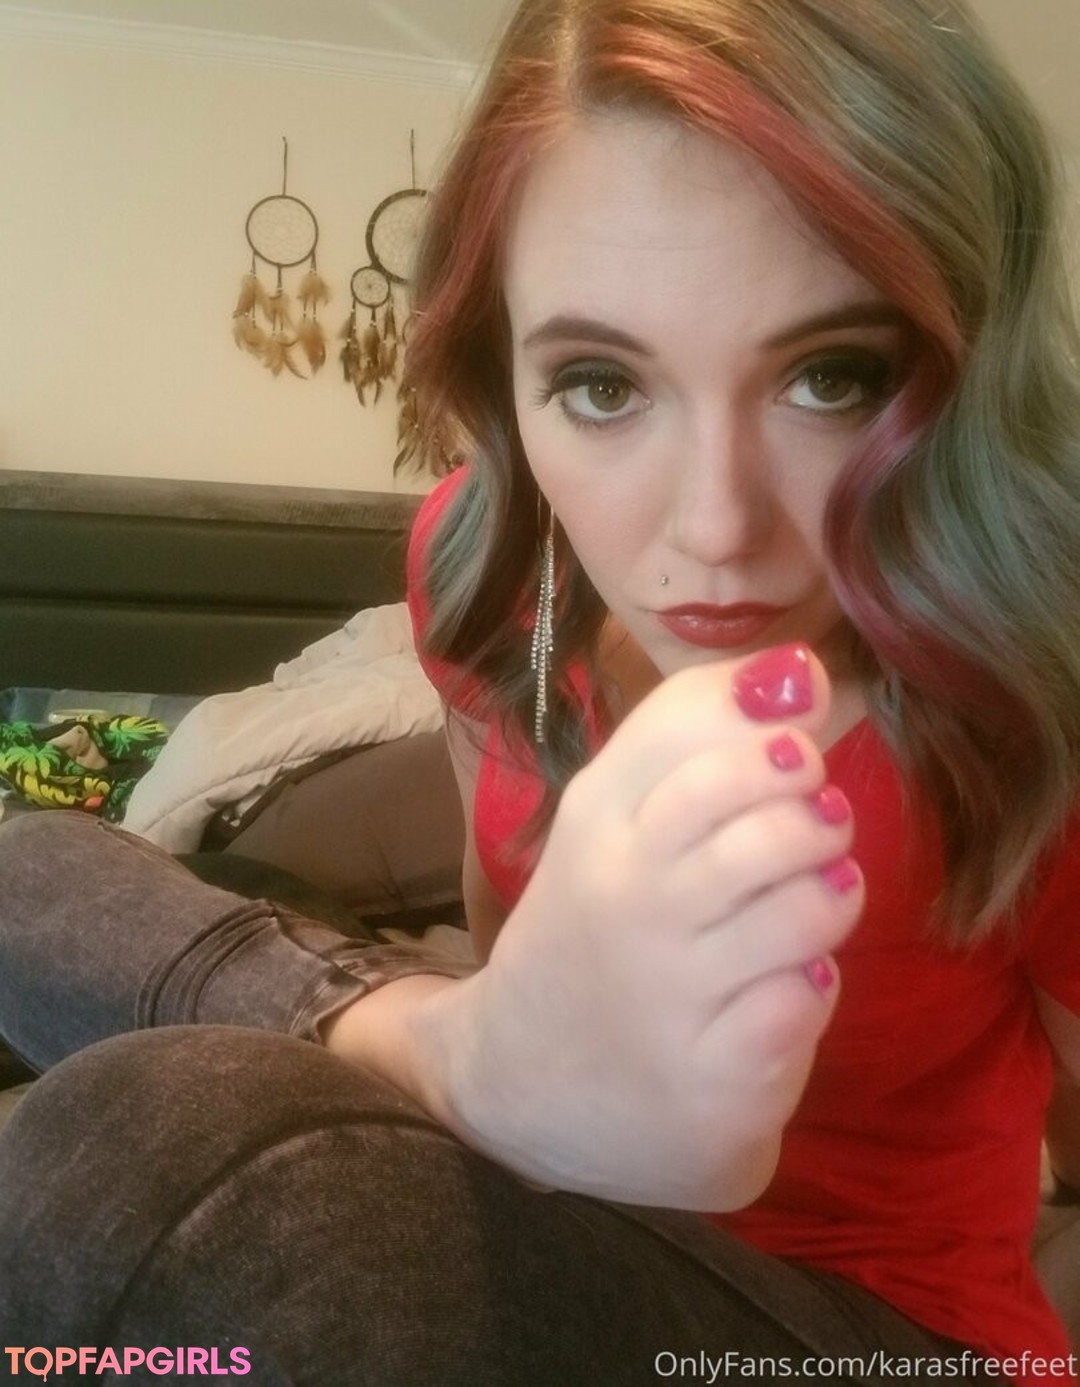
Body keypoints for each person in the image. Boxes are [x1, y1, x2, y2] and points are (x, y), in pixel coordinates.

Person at [1, 0, 1078, 1381]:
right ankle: (455, 1060)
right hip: (547, 1196)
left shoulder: (1029, 702)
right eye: (603, 385)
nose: (714, 528)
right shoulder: (492, 580)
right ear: (501, 380)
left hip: (877, 1336)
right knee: (29, 874)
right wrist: (484, 1051)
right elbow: (503, 913)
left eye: (834, 377)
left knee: (168, 1154)